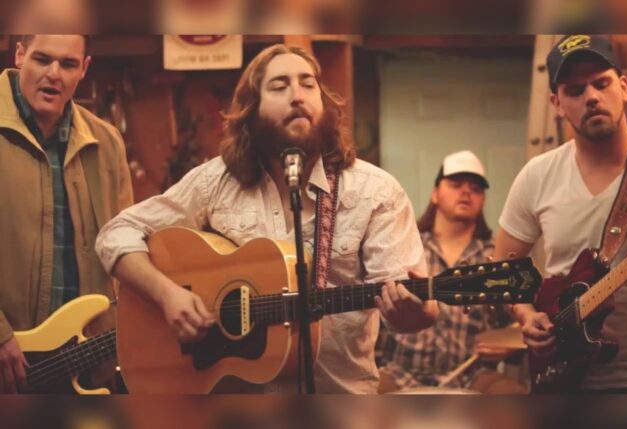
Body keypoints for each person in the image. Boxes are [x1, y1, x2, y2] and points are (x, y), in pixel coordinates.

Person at [95, 43, 438, 394]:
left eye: (308, 84)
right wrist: (167, 294)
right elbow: (116, 233)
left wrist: (415, 311)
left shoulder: (374, 191)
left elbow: (414, 313)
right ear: (252, 107)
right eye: (279, 86)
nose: (297, 96)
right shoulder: (216, 181)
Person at [495, 34, 627, 392]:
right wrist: (527, 315)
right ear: (556, 103)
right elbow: (503, 271)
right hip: (562, 381)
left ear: (623, 87)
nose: (591, 96)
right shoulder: (537, 175)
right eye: (575, 90)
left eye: (601, 83)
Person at [0, 35, 133, 393]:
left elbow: (125, 245)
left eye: (68, 64)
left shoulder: (107, 142)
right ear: (20, 54)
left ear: (84, 68)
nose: (54, 74)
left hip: (87, 365)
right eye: (42, 59)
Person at [376, 150, 526, 394]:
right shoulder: (404, 246)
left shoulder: (496, 256)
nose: (466, 192)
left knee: (515, 397)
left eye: (476, 189)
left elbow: (522, 318)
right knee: (358, 398)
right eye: (456, 185)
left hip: (474, 374)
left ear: (483, 200)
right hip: (400, 372)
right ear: (435, 194)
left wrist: (509, 344)